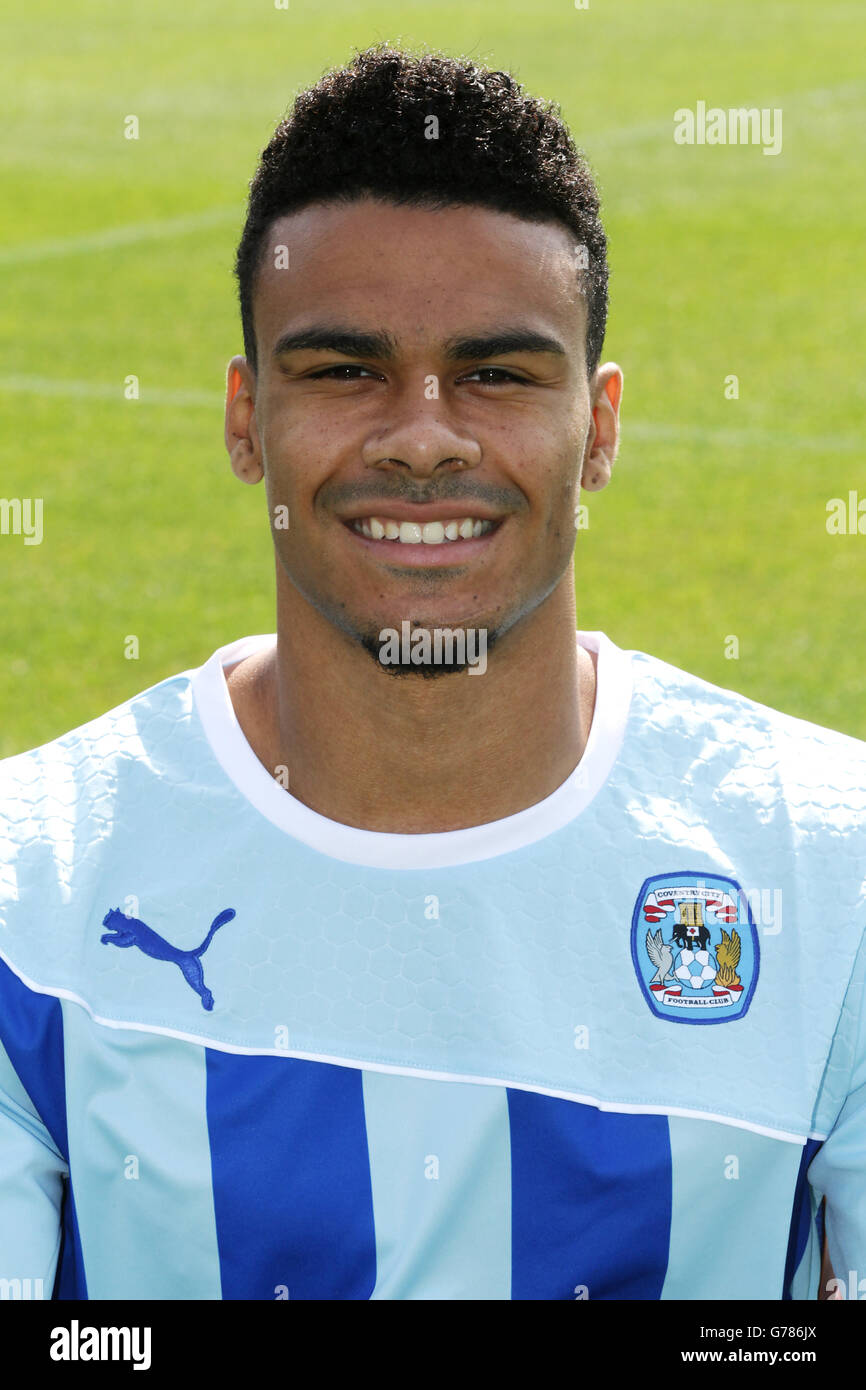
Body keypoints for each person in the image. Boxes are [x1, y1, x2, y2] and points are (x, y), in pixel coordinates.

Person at [1, 44, 863, 1302]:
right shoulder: (34, 894)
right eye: (344, 370)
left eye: (495, 373)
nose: (419, 436)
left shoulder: (827, 877)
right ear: (246, 419)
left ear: (600, 425)